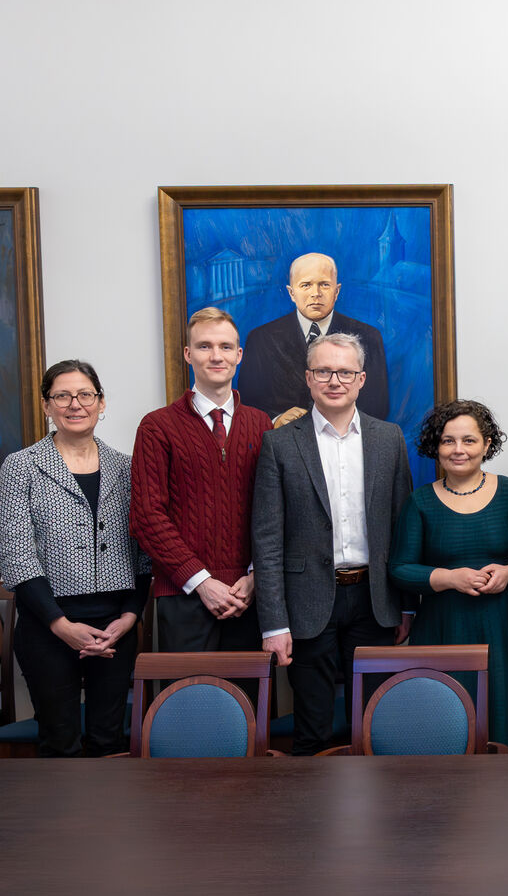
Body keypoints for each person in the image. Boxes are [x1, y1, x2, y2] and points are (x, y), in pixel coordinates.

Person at [252, 333, 413, 755]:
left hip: (374, 601)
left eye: (345, 371)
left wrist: (407, 605)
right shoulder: (279, 444)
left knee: (376, 723)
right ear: (308, 378)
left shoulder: (389, 439)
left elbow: (403, 528)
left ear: (361, 379)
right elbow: (266, 539)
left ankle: (376, 816)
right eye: (324, 371)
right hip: (307, 605)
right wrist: (274, 623)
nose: (334, 380)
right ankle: (314, 817)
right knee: (313, 729)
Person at [0, 360, 150, 757]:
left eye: (85, 395)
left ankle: (110, 822)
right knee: (60, 742)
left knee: (109, 740)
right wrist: (61, 625)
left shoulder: (127, 467)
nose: (74, 404)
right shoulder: (20, 466)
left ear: (101, 403)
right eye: (62, 395)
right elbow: (16, 555)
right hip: (48, 624)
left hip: (117, 625)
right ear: (47, 406)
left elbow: (145, 550)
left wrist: (129, 617)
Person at [390, 399, 508, 754]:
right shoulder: (419, 502)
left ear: (486, 444)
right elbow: (400, 568)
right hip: (443, 631)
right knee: (447, 729)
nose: (458, 450)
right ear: (435, 446)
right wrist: (450, 579)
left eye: (469, 440)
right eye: (448, 441)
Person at [130, 308, 269, 654]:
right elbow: (147, 517)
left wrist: (255, 577)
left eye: (225, 347)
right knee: (188, 704)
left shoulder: (261, 424)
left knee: (248, 704)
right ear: (189, 355)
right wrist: (202, 582)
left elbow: (272, 512)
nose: (216, 355)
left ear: (239, 355)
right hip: (183, 594)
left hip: (248, 595)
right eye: (205, 347)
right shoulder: (157, 427)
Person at [238, 252, 391, 421]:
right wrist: (276, 420)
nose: (315, 293)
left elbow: (378, 406)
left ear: (337, 291)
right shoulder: (261, 340)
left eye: (324, 284)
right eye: (305, 285)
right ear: (291, 293)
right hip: (284, 442)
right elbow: (249, 405)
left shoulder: (368, 338)